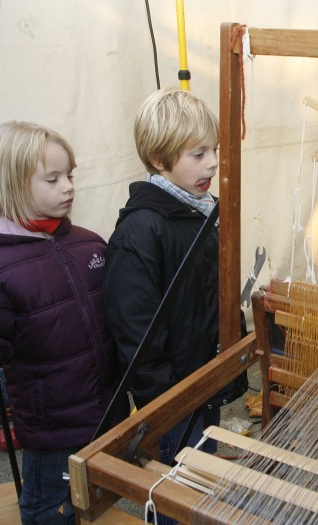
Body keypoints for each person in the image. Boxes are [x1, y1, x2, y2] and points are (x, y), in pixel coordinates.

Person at [0, 122, 125, 524]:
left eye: (70, 175)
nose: (69, 187)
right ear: (11, 185)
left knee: (93, 498)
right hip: (52, 426)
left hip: (106, 408)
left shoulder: (89, 244)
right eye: (53, 179)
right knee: (46, 508)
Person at [103, 87, 247, 476]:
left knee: (201, 471)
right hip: (174, 400)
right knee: (177, 483)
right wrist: (168, 402)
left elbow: (212, 292)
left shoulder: (200, 212)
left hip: (203, 381)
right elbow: (135, 331)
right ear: (158, 158)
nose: (213, 163)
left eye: (214, 151)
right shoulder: (140, 232)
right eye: (198, 154)